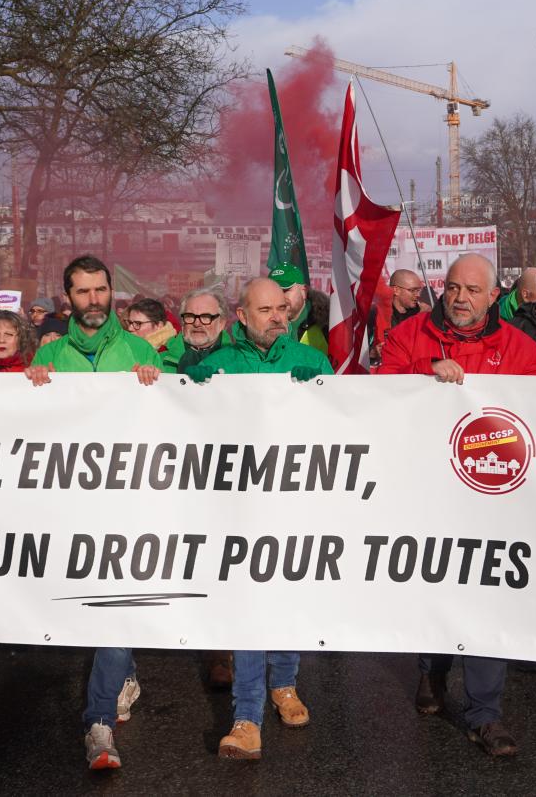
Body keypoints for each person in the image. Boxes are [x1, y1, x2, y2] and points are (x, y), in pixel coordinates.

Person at [377, 254, 536, 758]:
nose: (460, 298)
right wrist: (423, 371)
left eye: (473, 290)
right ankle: (432, 669)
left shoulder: (524, 349)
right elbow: (376, 389)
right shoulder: (409, 335)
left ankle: (485, 715)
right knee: (436, 589)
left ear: (494, 296)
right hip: (427, 491)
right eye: (453, 287)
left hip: (493, 497)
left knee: (486, 600)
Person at [181, 278, 331, 761]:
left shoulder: (311, 363)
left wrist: (325, 396)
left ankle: (284, 683)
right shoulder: (216, 367)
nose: (278, 317)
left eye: (282, 309)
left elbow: (343, 427)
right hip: (238, 510)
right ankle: (246, 719)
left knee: (284, 598)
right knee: (248, 606)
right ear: (240, 316)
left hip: (294, 505)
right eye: (265, 309)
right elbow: (183, 424)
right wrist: (187, 391)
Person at [24, 256, 161, 771]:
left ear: (112, 291)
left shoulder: (140, 350)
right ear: (68, 299)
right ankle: (119, 673)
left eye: (102, 290)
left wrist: (158, 379)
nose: (95, 300)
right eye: (83, 293)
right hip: (68, 504)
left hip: (128, 502)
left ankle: (98, 722)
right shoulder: (51, 355)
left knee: (118, 607)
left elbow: (175, 418)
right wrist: (29, 382)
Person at [160, 289, 231, 374]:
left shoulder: (240, 361)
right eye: (190, 316)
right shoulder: (159, 360)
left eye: (206, 316)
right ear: (182, 321)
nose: (197, 324)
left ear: (221, 323)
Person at [369, 269, 428, 363]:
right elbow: (356, 351)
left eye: (418, 290)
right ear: (396, 290)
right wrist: (373, 352)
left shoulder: (424, 315)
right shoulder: (374, 314)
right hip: (383, 373)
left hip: (415, 372)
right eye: (412, 290)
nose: (418, 295)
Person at [268, 263, 327, 353]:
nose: (279, 297)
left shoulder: (328, 325)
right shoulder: (254, 326)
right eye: (273, 291)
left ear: (304, 291)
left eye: (285, 290)